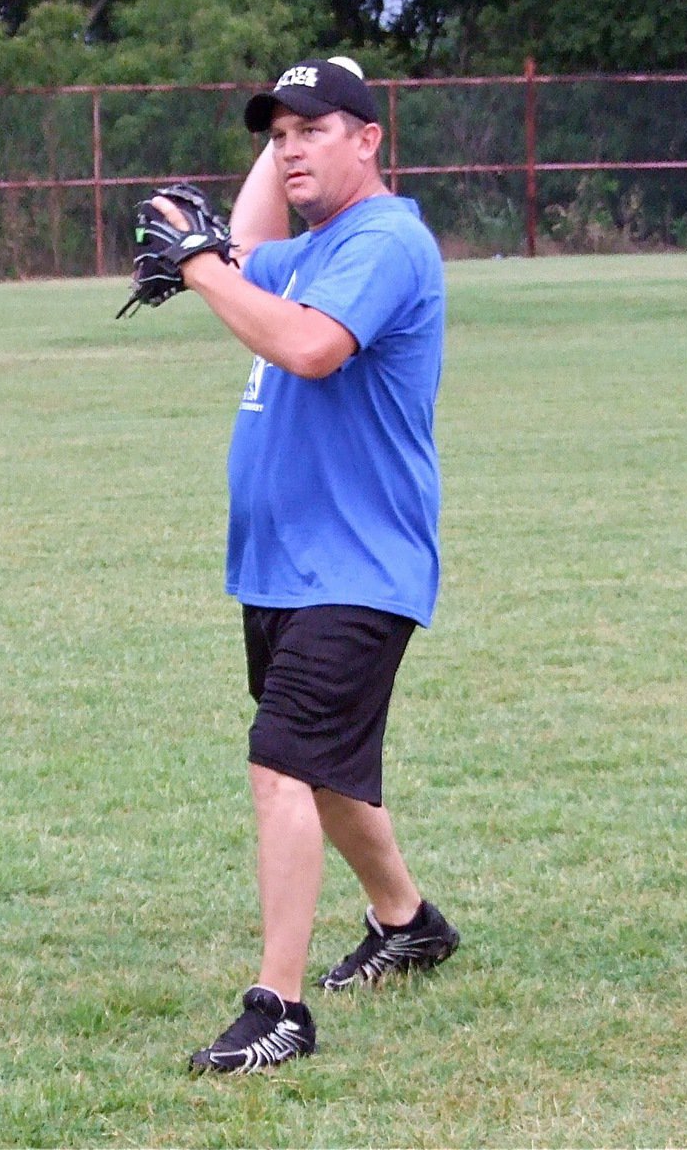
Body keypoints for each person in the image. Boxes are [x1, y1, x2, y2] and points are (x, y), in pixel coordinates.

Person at [151, 56, 460, 1075]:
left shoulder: (380, 242)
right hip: (285, 564)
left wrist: (196, 263)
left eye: (311, 129)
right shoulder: (318, 246)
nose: (289, 148)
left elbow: (309, 348)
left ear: (368, 138)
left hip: (355, 566)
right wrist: (213, 244)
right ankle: (406, 920)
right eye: (275, 133)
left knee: (281, 762)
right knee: (323, 771)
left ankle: (276, 1006)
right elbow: (241, 251)